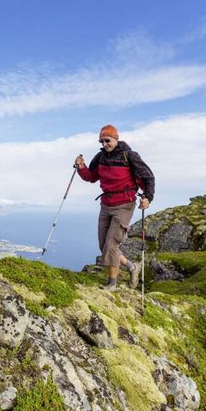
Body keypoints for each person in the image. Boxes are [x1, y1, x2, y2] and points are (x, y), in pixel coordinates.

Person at [75, 124, 155, 291]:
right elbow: (92, 177)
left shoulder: (129, 155)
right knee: (104, 245)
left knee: (111, 245)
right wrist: (81, 167)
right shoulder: (100, 157)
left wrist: (148, 197)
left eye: (107, 140)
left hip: (124, 204)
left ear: (116, 139)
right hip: (106, 203)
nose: (104, 144)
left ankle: (112, 284)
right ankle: (132, 267)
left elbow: (148, 177)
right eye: (101, 141)